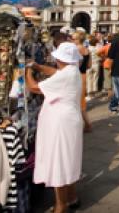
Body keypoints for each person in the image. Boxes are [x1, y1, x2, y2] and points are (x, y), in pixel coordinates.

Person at [26, 42, 84, 212]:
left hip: (60, 123)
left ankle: (61, 204)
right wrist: (38, 66)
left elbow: (34, 87)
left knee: (60, 161)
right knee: (69, 160)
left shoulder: (66, 75)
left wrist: (28, 70)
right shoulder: (71, 71)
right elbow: (55, 72)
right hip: (67, 120)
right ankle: (72, 197)